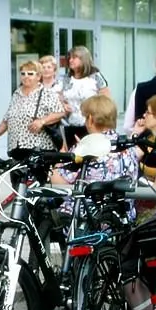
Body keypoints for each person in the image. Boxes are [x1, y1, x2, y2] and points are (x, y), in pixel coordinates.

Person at [50, 94, 141, 222]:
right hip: (122, 219)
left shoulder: (84, 148)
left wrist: (59, 159)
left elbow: (59, 182)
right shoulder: (128, 148)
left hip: (87, 220)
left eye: (85, 118)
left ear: (91, 119)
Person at [0, 59, 65, 154]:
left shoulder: (46, 93)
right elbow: (7, 120)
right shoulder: (16, 94)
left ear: (38, 76)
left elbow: (60, 113)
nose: (26, 77)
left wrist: (42, 121)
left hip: (38, 149)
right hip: (16, 148)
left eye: (30, 74)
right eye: (23, 74)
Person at [60, 45, 111, 148]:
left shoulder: (96, 77)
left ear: (84, 59)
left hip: (92, 125)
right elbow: (60, 97)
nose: (70, 60)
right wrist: (63, 104)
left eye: (74, 57)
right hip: (70, 125)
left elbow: (106, 102)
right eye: (69, 57)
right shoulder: (66, 79)